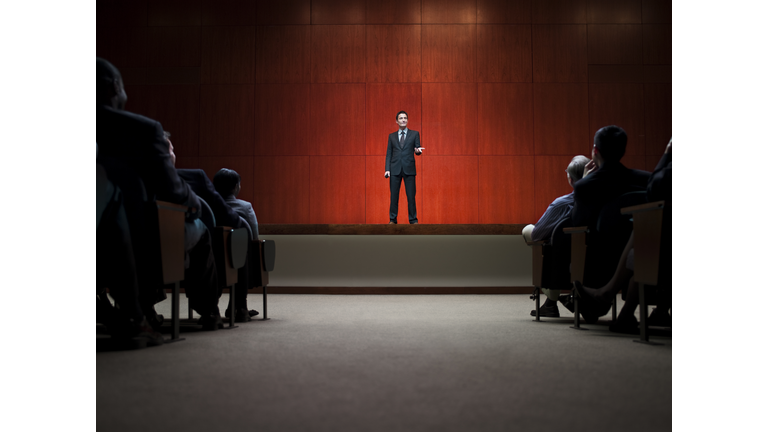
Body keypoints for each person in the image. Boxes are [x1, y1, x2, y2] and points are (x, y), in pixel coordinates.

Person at [96, 57, 223, 330]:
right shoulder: (142, 130)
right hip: (143, 235)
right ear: (115, 87)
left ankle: (141, 307)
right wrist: (195, 205)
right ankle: (209, 311)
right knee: (199, 229)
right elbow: (172, 190)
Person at [576, 139, 672, 332]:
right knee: (643, 236)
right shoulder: (640, 177)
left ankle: (609, 295)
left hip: (602, 255)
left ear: (596, 151)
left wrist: (668, 154)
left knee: (644, 240)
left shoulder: (586, 186)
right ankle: (633, 312)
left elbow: (577, 223)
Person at [522, 155, 590, 318]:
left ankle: (554, 298)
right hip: (596, 262)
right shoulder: (603, 203)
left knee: (529, 230)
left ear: (571, 179)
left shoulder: (562, 204)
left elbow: (537, 234)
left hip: (561, 265)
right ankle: (552, 303)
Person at [385, 111, 423, 224]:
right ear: (397, 121)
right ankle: (392, 219)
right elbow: (389, 153)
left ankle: (413, 220)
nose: (403, 120)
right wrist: (387, 169)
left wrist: (418, 151)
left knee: (411, 197)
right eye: (401, 118)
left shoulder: (415, 134)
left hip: (409, 169)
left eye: (405, 118)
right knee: (394, 197)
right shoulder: (391, 136)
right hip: (395, 169)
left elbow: (418, 149)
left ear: (407, 120)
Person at [213, 168, 259, 240]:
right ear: (235, 187)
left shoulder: (208, 208)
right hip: (241, 251)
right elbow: (255, 237)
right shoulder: (246, 207)